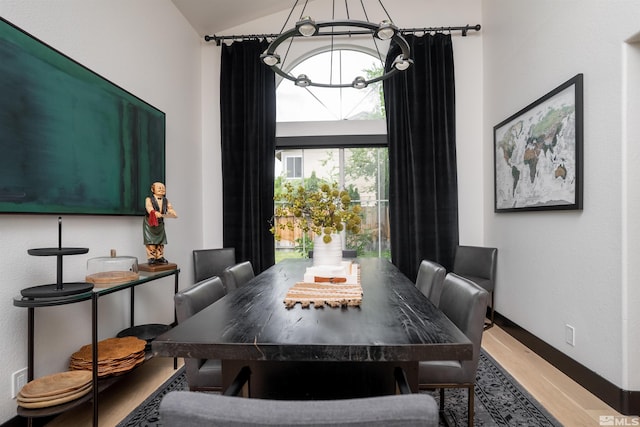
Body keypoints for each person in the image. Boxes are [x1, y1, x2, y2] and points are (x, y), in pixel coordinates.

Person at [143, 182, 177, 265]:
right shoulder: (149, 199)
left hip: (160, 223)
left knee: (161, 241)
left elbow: (170, 208)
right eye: (159, 188)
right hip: (150, 223)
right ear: (152, 189)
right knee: (150, 241)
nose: (162, 189)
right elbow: (149, 207)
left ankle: (159, 256)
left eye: (163, 188)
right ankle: (151, 257)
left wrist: (173, 213)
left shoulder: (166, 200)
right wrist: (154, 212)